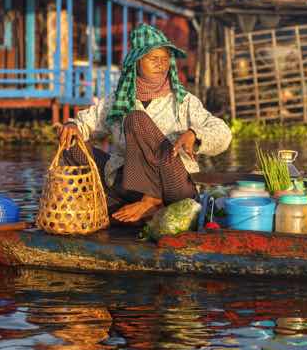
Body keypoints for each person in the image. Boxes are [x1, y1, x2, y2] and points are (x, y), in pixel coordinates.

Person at [58, 24, 232, 223]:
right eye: (153, 59)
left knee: (136, 119)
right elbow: (85, 123)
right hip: (130, 185)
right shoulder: (118, 100)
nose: (161, 65)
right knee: (71, 145)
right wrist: (73, 126)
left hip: (173, 185)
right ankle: (125, 203)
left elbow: (223, 133)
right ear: (137, 62)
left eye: (165, 59)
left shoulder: (183, 101)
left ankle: (151, 202)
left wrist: (194, 135)